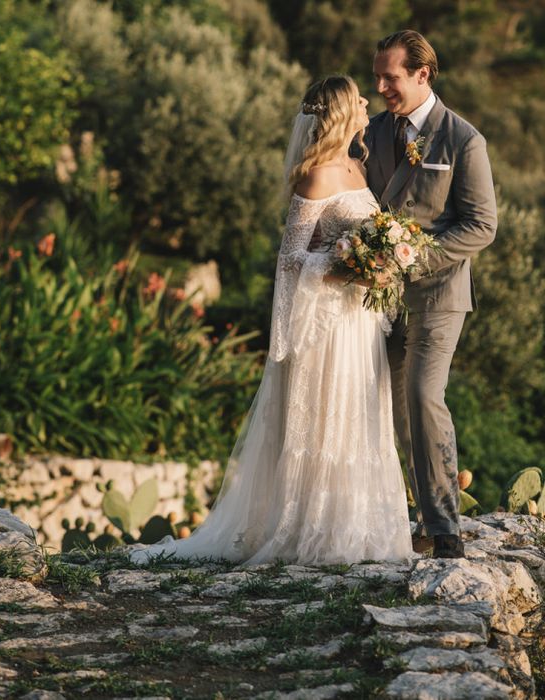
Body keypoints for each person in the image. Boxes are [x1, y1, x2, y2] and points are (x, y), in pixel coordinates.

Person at [129, 76, 413, 566]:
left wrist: (378, 262)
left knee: (360, 416)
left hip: (357, 322)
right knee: (326, 419)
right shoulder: (318, 174)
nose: (369, 101)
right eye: (360, 98)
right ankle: (312, 531)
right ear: (344, 110)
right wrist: (343, 264)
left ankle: (358, 527)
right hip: (325, 328)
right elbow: (289, 258)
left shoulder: (356, 164)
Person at [364, 30, 498, 558]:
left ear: (423, 74)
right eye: (377, 76)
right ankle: (401, 520)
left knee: (423, 398)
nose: (380, 87)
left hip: (439, 294)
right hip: (377, 298)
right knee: (394, 412)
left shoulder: (464, 140)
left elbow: (481, 226)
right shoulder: (371, 132)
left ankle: (445, 531)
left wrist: (410, 257)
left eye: (390, 77)